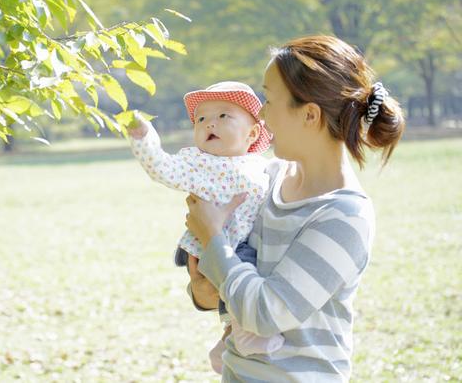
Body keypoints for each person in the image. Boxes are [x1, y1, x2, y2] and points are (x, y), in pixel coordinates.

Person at [184, 35, 405, 382]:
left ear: (309, 115)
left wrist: (212, 238)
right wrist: (202, 288)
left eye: (269, 100)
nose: (259, 112)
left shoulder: (344, 217)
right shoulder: (266, 180)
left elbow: (266, 312)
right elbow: (223, 287)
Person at [126, 81, 284, 373]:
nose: (210, 123)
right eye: (201, 119)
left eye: (224, 116)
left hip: (243, 243)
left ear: (252, 133)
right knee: (242, 276)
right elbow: (162, 168)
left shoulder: (263, 165)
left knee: (251, 274)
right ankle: (244, 334)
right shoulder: (198, 163)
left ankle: (230, 338)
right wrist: (143, 138)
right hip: (210, 245)